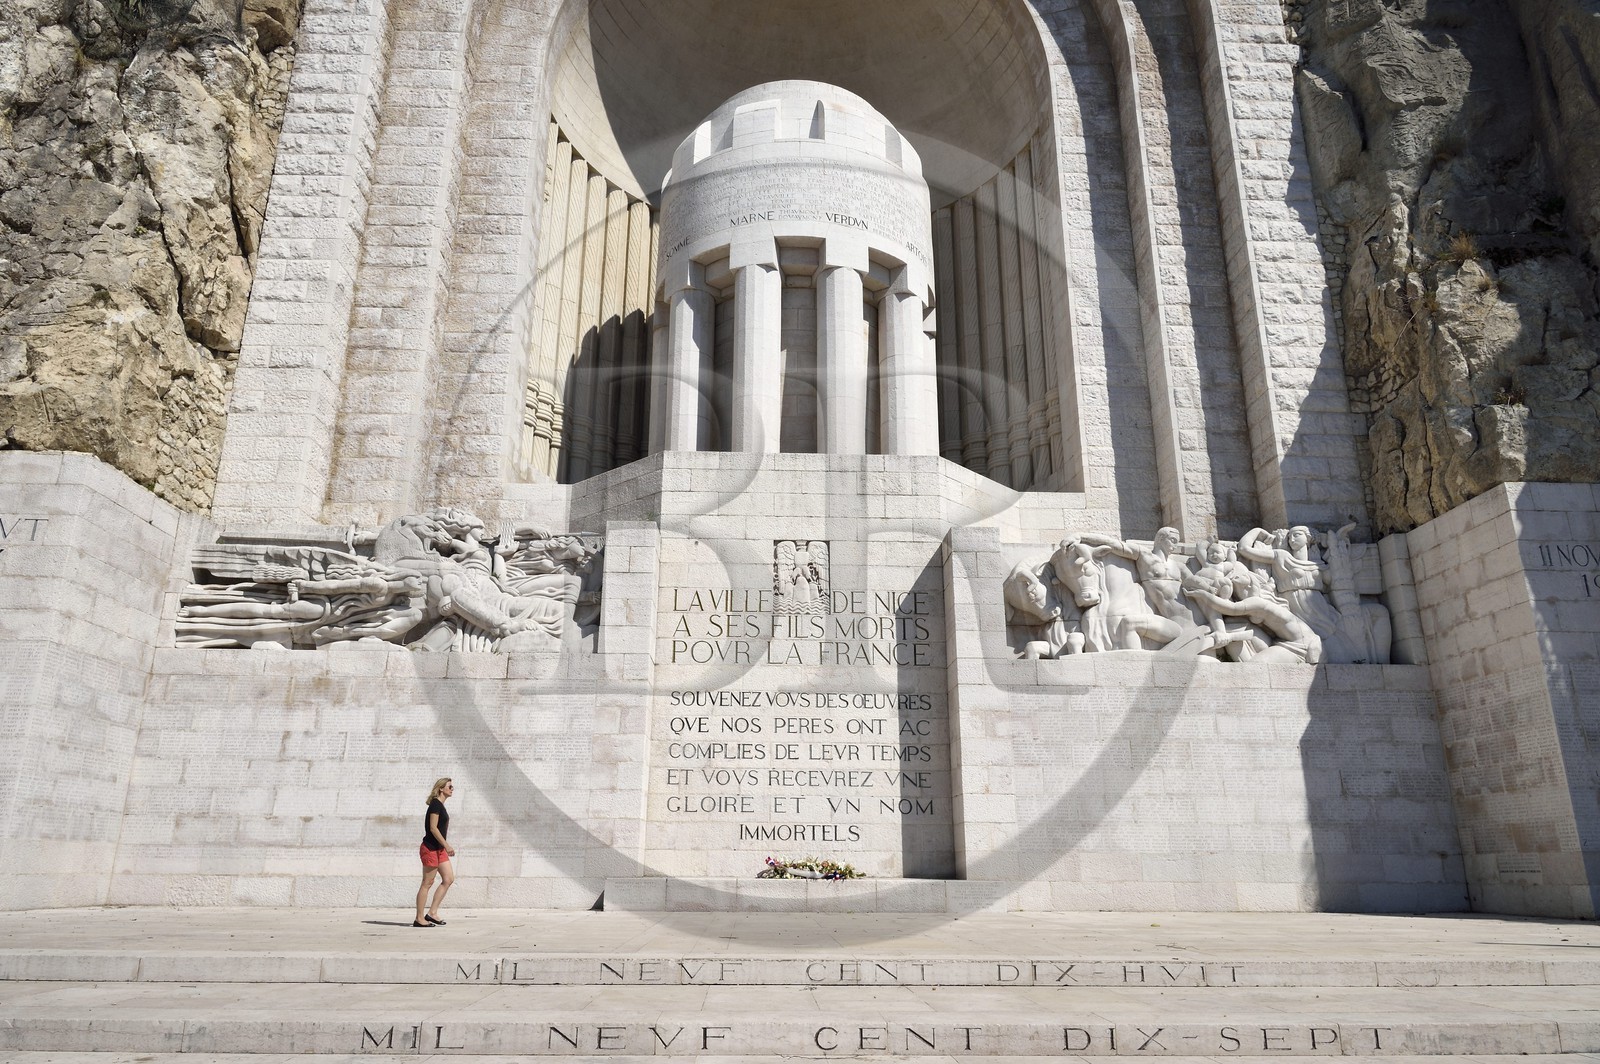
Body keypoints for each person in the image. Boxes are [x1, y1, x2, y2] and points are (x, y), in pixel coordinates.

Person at [415, 777, 456, 927]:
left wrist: (443, 847)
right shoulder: (435, 805)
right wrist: (447, 845)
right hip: (431, 848)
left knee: (448, 879)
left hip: (439, 849)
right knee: (427, 883)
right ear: (441, 788)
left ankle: (432, 913)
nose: (452, 789)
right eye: (450, 786)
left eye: (452, 787)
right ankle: (419, 918)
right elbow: (433, 828)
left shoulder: (441, 805)